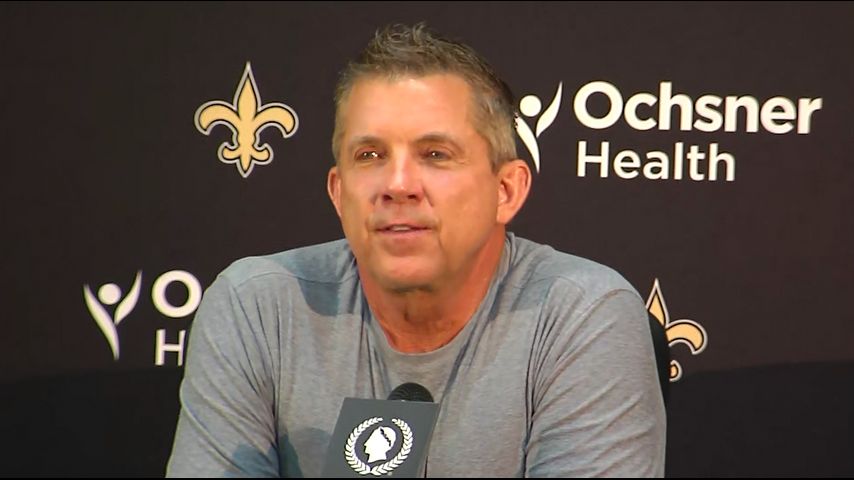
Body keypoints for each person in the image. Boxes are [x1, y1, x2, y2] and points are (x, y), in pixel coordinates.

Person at [167, 23, 666, 477]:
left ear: (506, 191)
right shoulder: (256, 306)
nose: (397, 184)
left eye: (435, 154)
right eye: (370, 155)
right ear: (338, 193)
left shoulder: (581, 313)